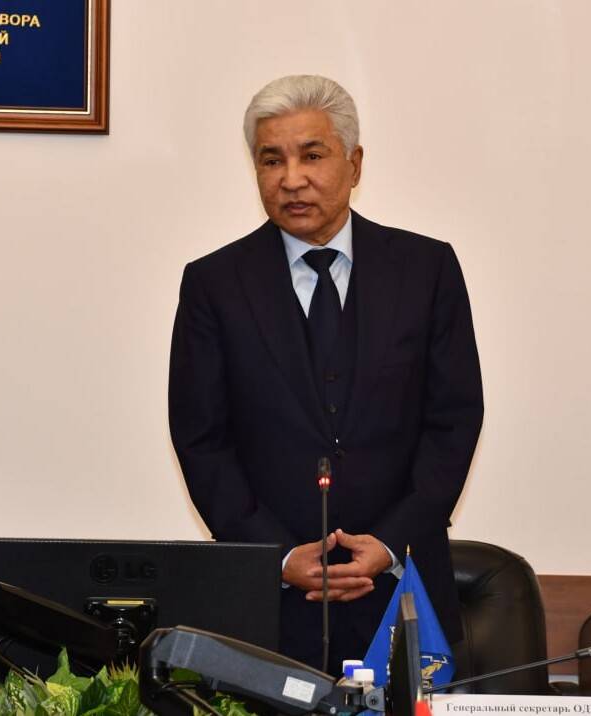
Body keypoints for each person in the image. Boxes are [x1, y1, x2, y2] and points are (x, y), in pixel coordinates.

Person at [168, 75, 484, 673]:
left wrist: (390, 541)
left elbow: (454, 421)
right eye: (271, 160)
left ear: (354, 164)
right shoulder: (214, 284)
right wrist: (279, 555)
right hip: (269, 598)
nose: (291, 179)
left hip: (402, 587)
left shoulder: (426, 269)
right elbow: (201, 439)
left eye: (311, 155)